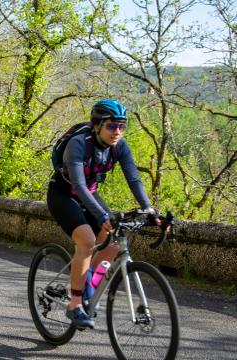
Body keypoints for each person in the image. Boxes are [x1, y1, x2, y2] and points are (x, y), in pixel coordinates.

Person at [47, 99, 160, 328]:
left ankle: (88, 287)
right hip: (63, 195)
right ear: (97, 125)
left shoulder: (120, 146)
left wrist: (149, 209)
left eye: (121, 126)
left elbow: (134, 179)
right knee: (87, 241)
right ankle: (75, 304)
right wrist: (101, 216)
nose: (117, 131)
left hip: (90, 194)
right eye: (111, 126)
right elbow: (78, 185)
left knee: (112, 244)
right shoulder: (79, 144)